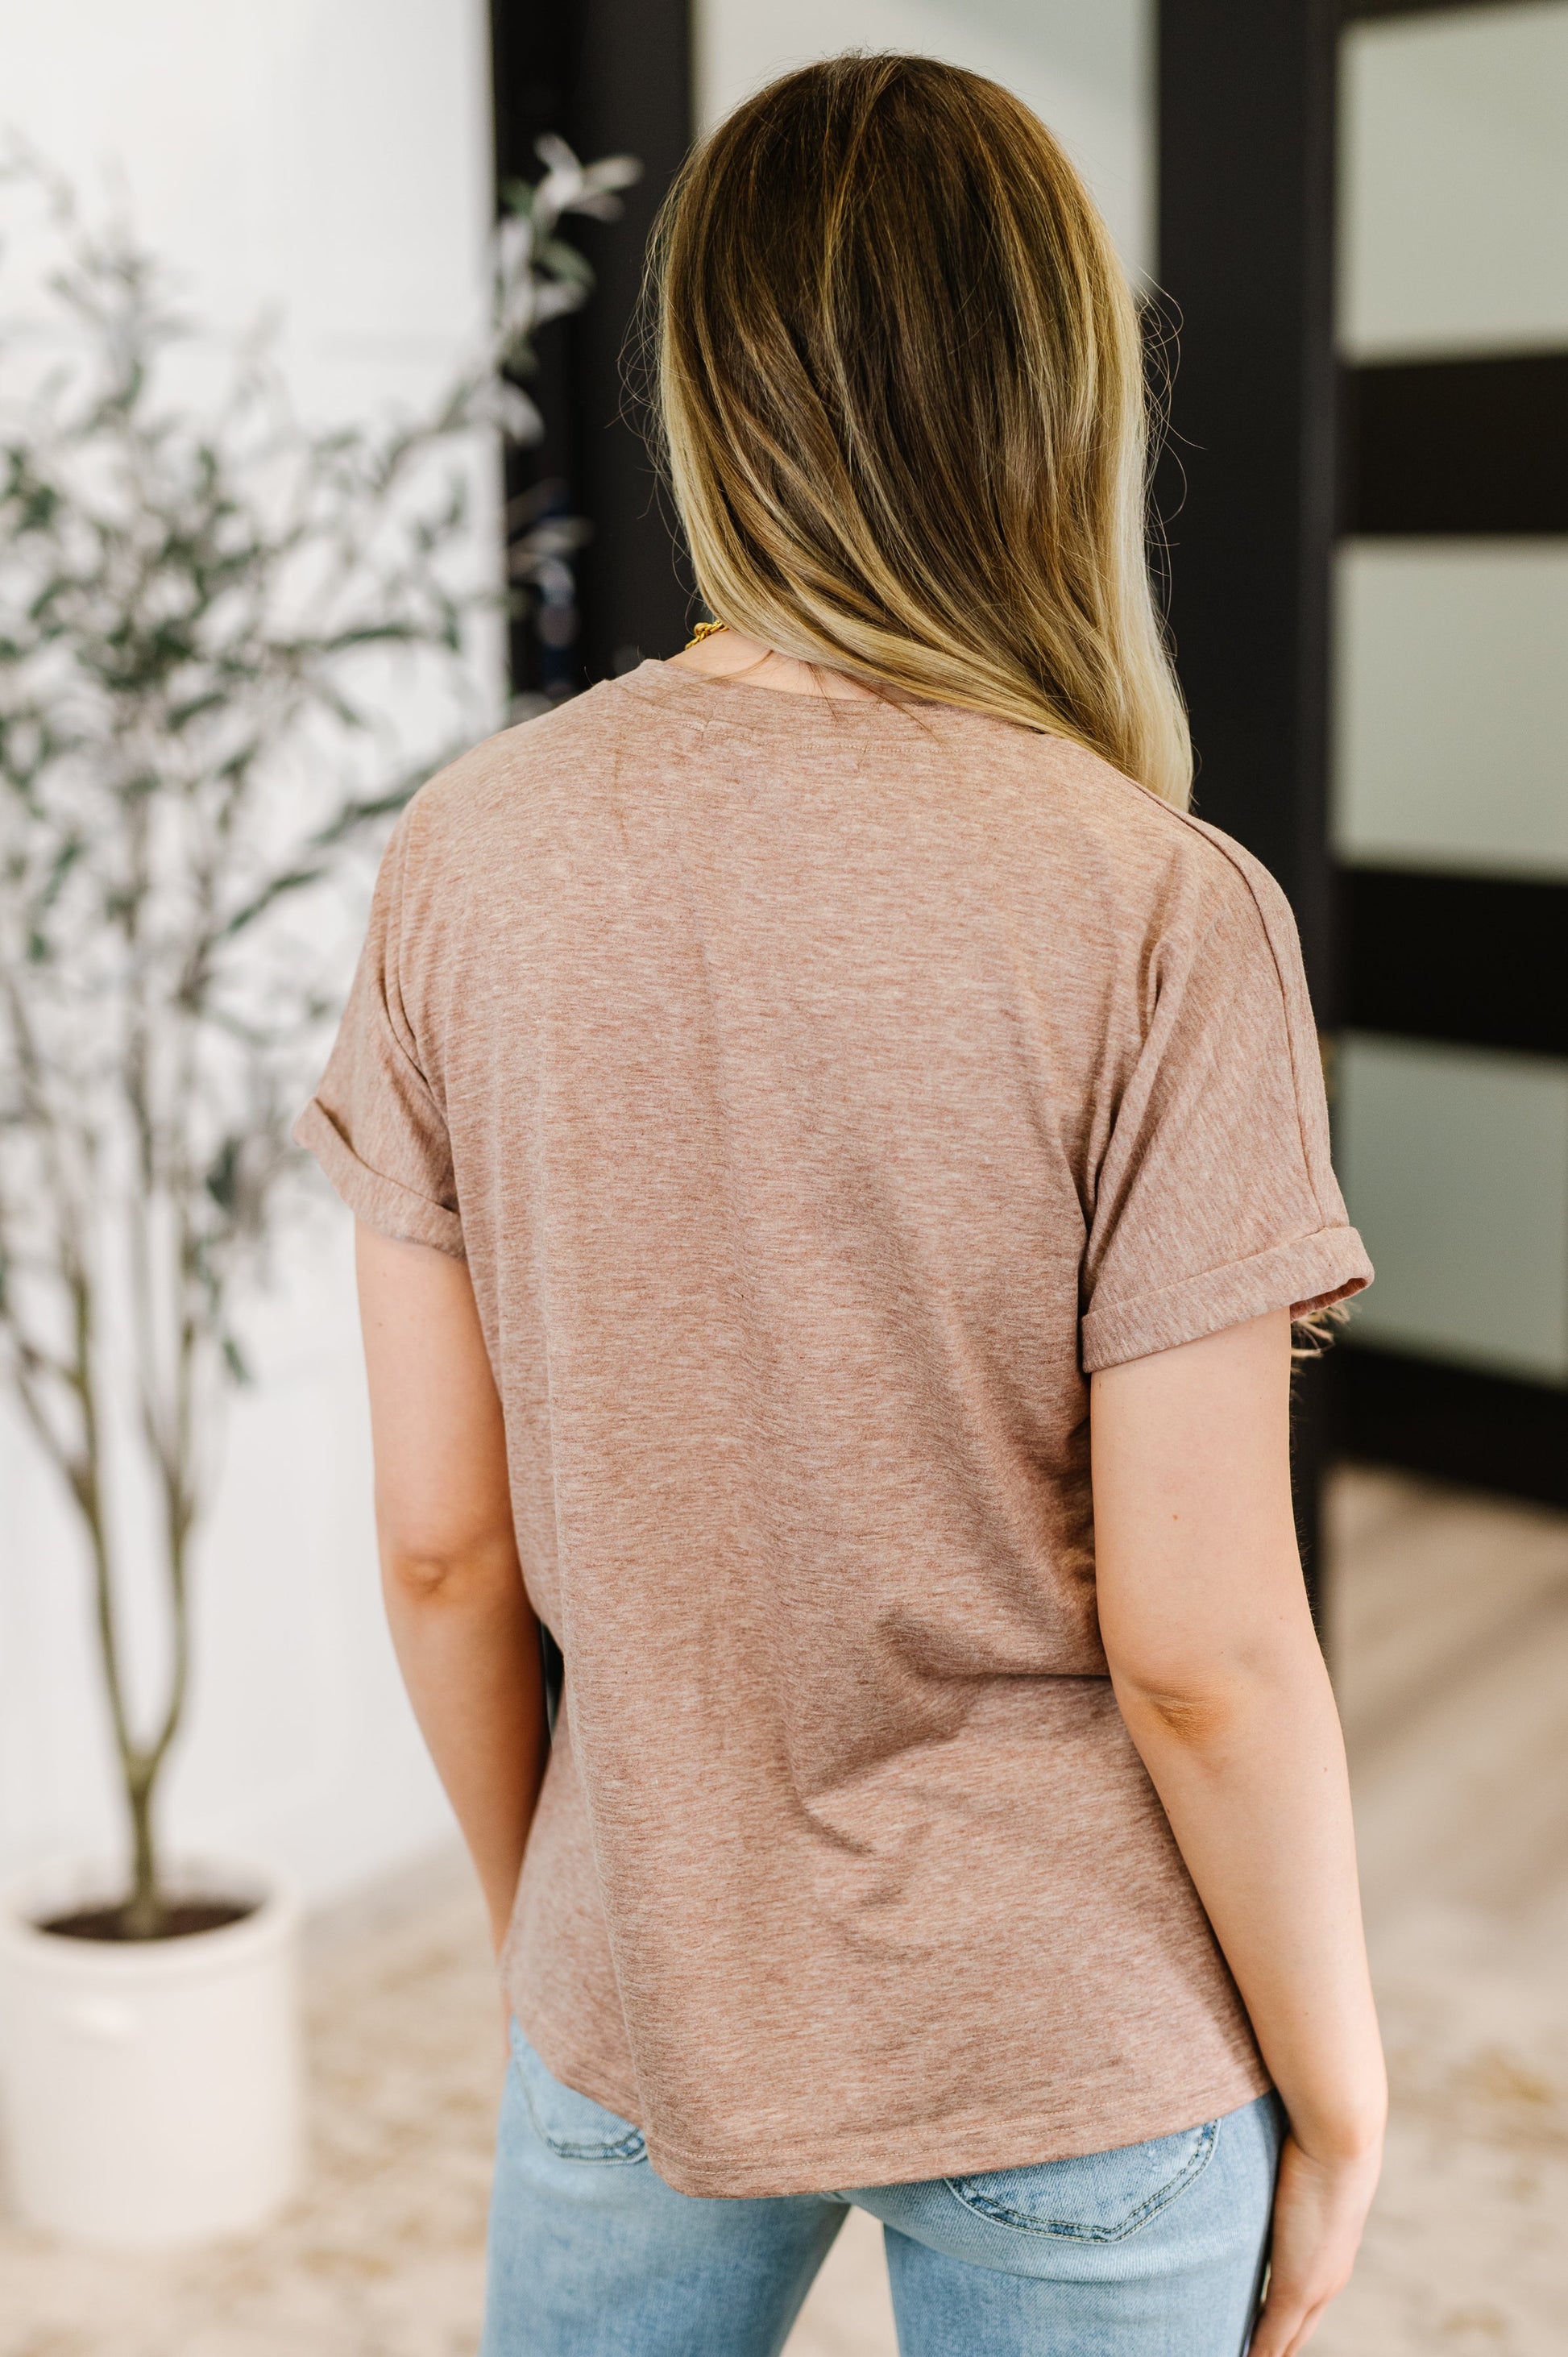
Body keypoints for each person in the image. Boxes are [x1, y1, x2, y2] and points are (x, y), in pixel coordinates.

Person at [297, 52, 1385, 2357]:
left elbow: (443, 1547)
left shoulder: (467, 856)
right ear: (1056, 402)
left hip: (643, 1974)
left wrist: (567, 1948)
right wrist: (1343, 2084)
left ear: (707, 394)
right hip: (1069, 2029)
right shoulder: (1161, 909)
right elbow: (1204, 1652)